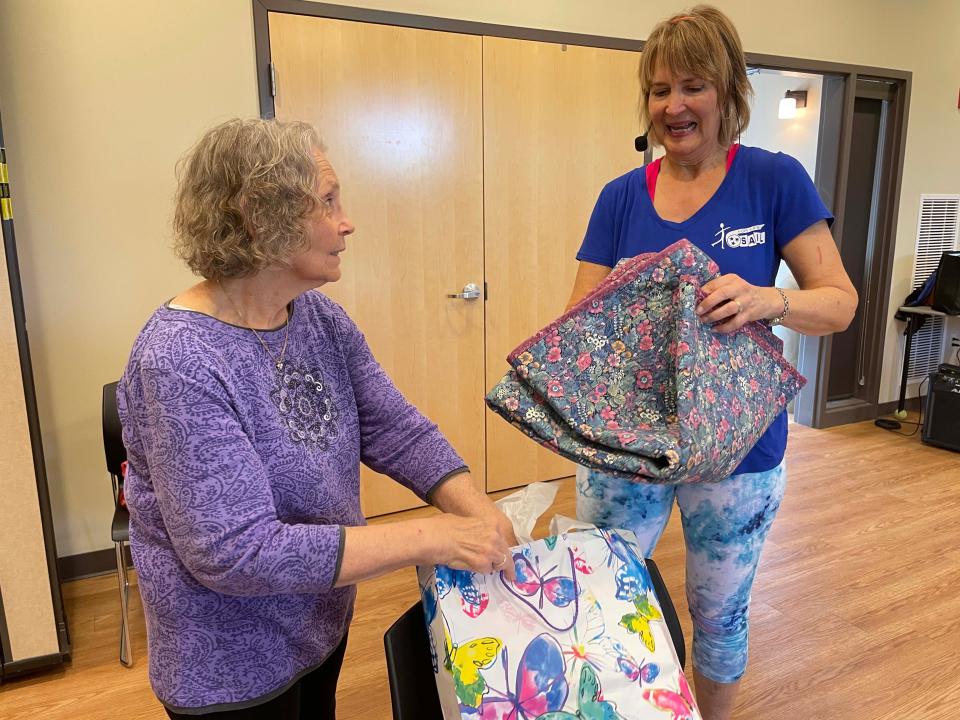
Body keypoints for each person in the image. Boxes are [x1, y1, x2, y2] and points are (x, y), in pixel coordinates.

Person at [117, 118, 518, 719]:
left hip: (316, 622)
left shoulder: (317, 320)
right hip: (229, 665)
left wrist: (478, 511)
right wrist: (431, 535)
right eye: (328, 201)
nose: (347, 221)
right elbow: (236, 552)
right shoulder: (178, 360)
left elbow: (393, 427)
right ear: (262, 218)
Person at [565, 6, 857, 720]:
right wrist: (622, 297)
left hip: (739, 448)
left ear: (728, 92)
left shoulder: (774, 181)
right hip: (625, 445)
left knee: (719, 616)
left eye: (692, 86)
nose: (673, 106)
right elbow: (577, 325)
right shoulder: (618, 197)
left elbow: (840, 302)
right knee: (600, 602)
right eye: (659, 90)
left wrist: (767, 301)